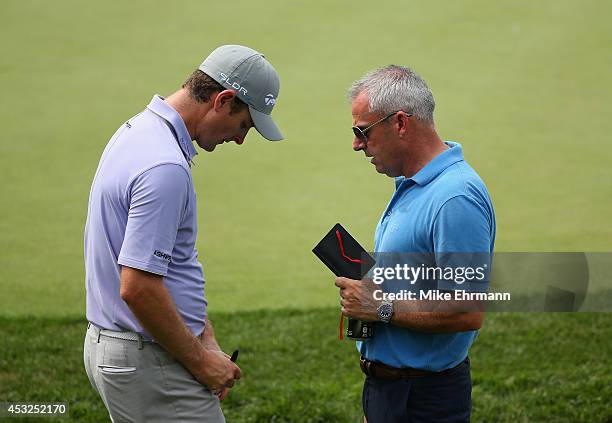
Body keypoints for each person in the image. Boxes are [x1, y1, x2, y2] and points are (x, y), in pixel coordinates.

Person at [83, 44, 283, 422]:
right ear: (224, 100)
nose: (240, 139)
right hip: (149, 359)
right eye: (244, 125)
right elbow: (138, 287)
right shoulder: (164, 166)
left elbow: (169, 267)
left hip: (134, 351)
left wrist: (205, 339)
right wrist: (201, 363)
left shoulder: (139, 130)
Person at [335, 65, 495, 423]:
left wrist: (381, 307)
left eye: (362, 132)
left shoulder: (455, 198)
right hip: (391, 391)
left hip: (423, 398)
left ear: (401, 123)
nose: (356, 145)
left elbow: (468, 311)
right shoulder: (413, 184)